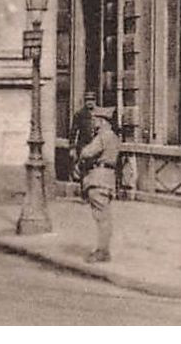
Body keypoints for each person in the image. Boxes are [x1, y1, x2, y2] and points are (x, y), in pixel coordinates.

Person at [77, 105, 120, 263]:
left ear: (103, 121)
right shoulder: (114, 137)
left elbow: (87, 152)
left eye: (96, 119)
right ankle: (104, 249)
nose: (94, 122)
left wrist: (83, 150)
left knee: (101, 217)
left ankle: (102, 251)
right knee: (105, 216)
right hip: (109, 178)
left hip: (98, 177)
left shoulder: (103, 137)